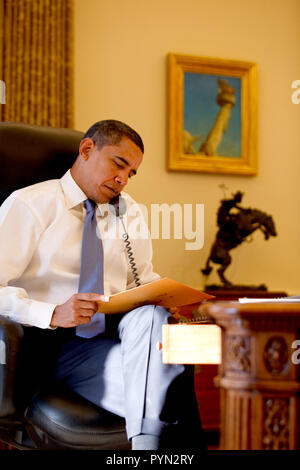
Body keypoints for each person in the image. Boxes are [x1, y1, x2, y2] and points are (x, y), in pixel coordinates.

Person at [0, 120, 205, 450]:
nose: (123, 179)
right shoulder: (29, 205)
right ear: (86, 150)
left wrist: (171, 297)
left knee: (156, 328)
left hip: (107, 347)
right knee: (168, 399)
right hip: (43, 349)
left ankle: (146, 449)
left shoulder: (129, 212)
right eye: (118, 164)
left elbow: (140, 278)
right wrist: (52, 312)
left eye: (131, 173)